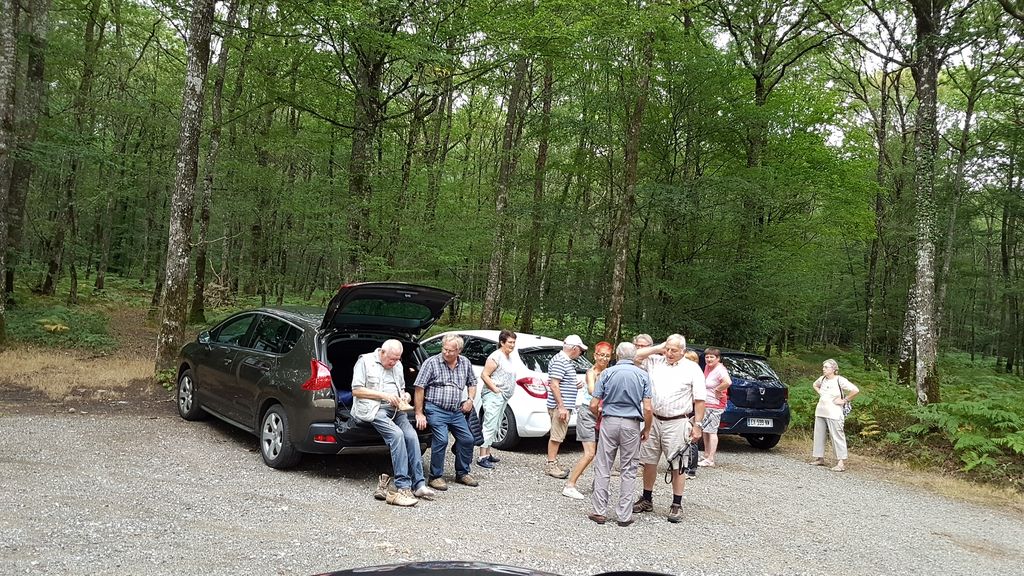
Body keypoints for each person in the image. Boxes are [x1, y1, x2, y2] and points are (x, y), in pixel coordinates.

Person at [350, 339, 436, 507]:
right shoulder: (365, 362)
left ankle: (419, 484)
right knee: (397, 435)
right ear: (382, 352)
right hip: (374, 409)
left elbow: (401, 389)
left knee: (411, 436)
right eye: (392, 359)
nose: (395, 363)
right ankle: (403, 486)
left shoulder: (397, 365)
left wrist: (405, 396)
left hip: (396, 409)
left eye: (398, 359)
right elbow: (356, 390)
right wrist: (384, 396)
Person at [632, 334, 706, 523]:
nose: (670, 353)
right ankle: (647, 498)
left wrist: (698, 425)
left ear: (683, 351)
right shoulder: (656, 361)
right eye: (668, 349)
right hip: (654, 419)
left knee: (677, 464)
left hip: (678, 421)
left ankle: (676, 503)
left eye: (674, 350)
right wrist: (659, 347)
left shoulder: (692, 368)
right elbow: (635, 356)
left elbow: (699, 400)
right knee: (649, 461)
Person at [587, 342, 652, 527]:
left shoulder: (607, 373)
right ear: (634, 356)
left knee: (603, 466)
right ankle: (624, 515)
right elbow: (648, 408)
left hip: (609, 421)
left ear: (617, 354)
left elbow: (593, 403)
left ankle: (599, 511)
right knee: (629, 469)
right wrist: (647, 428)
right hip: (632, 424)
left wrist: (599, 416)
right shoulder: (643, 375)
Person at [414, 334, 479, 490]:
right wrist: (419, 413)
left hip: (456, 410)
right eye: (444, 349)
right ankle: (435, 476)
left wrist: (470, 400)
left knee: (467, 439)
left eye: (450, 350)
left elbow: (472, 383)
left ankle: (462, 473)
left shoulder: (465, 363)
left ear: (459, 351)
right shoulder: (431, 363)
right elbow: (419, 388)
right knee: (442, 440)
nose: (446, 352)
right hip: (435, 408)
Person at [562, 341, 612, 499]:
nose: (604, 358)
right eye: (601, 355)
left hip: (603, 415)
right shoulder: (592, 372)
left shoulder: (610, 372)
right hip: (588, 413)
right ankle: (570, 485)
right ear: (595, 355)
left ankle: (598, 485)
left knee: (603, 453)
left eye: (607, 356)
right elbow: (592, 390)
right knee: (589, 453)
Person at [544, 335, 587, 479]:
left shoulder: (563, 361)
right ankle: (551, 465)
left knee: (558, 435)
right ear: (574, 348)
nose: (580, 353)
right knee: (557, 436)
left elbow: (560, 383)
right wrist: (561, 407)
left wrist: (574, 386)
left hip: (562, 405)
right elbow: (554, 385)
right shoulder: (560, 361)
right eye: (580, 350)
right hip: (560, 406)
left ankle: (553, 462)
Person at [810, 358, 859, 472]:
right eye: (823, 367)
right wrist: (821, 393)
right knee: (819, 435)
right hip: (821, 411)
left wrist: (845, 400)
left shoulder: (839, 380)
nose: (824, 369)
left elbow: (855, 390)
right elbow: (815, 385)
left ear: (833, 369)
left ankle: (840, 463)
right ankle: (819, 458)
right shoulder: (822, 379)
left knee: (837, 436)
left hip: (834, 413)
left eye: (826, 367)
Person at [477, 329, 517, 468]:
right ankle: (482, 456)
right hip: (494, 396)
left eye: (514, 342)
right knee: (489, 424)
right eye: (509, 342)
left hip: (503, 397)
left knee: (496, 424)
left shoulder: (508, 357)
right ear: (502, 342)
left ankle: (488, 453)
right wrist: (495, 389)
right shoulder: (495, 356)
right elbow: (484, 375)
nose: (512, 345)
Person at [698, 347, 732, 468]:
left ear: (718, 358)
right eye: (707, 357)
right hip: (706, 403)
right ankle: (706, 455)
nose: (709, 359)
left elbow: (727, 382)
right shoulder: (708, 367)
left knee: (712, 431)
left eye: (712, 357)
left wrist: (718, 389)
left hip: (715, 404)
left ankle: (711, 459)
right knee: (705, 430)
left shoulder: (720, 370)